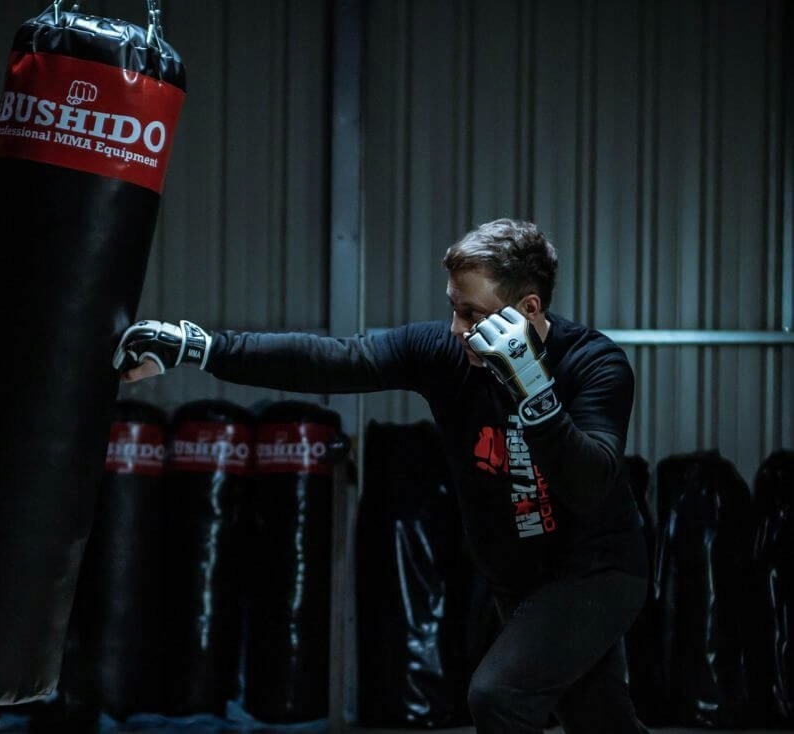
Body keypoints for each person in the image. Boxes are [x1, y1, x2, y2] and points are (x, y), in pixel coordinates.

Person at [112, 218, 650, 734]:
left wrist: (534, 388)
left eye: (473, 314)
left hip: (596, 571)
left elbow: (589, 483)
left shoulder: (593, 365)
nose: (457, 330)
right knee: (599, 722)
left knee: (499, 696)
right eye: (454, 309)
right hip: (516, 574)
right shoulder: (447, 354)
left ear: (528, 309)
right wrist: (203, 347)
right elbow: (337, 359)